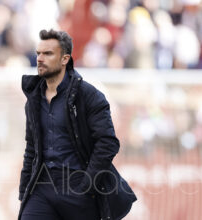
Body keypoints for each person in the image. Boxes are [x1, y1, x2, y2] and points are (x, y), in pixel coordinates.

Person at [18, 29, 137, 220]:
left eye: (48, 53)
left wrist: (87, 183)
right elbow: (32, 147)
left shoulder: (89, 96)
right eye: (38, 53)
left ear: (65, 59)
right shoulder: (33, 99)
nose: (40, 58)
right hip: (42, 187)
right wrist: (25, 190)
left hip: (78, 187)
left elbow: (108, 143)